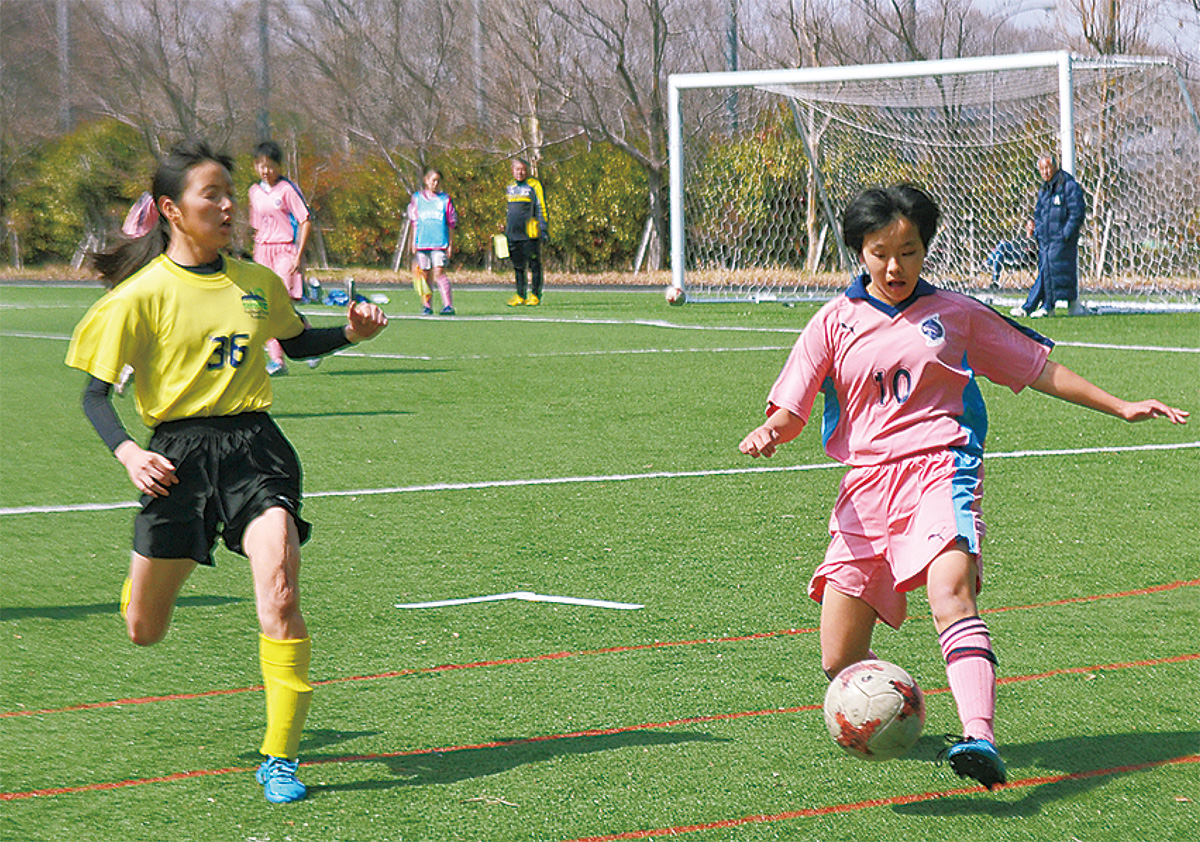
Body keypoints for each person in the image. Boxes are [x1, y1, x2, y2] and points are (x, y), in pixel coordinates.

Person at [739, 184, 1187, 791]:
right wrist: (770, 430)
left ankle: (980, 734)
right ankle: (901, 705)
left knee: (951, 591)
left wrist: (1121, 406)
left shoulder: (956, 313)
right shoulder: (832, 323)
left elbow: (1039, 367)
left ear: (925, 249)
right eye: (880, 251)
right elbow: (790, 410)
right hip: (865, 492)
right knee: (839, 660)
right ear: (859, 251)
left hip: (940, 471)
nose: (895, 266)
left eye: (909, 250)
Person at [66, 139, 389, 804]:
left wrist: (350, 335)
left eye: (226, 194)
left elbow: (296, 342)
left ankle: (281, 758)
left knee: (280, 589)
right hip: (177, 458)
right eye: (209, 194)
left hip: (255, 449)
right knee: (144, 630)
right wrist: (129, 452)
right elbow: (96, 395)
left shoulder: (256, 282)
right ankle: (143, 590)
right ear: (170, 210)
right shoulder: (139, 296)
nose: (224, 206)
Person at [249, 140, 315, 373]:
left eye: (270, 165)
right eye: (260, 165)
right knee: (264, 306)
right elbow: (257, 225)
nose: (265, 170)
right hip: (262, 251)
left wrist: (298, 253)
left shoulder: (287, 189)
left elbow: (304, 220)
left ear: (279, 166)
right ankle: (277, 360)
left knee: (281, 305)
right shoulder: (254, 192)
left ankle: (310, 343)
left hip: (284, 250)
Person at [1012, 153, 1086, 318]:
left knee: (1049, 271)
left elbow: (1077, 212)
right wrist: (1035, 229)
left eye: (1047, 167)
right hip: (1045, 240)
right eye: (1042, 169)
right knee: (1050, 273)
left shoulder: (1068, 185)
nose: (1045, 172)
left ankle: (1032, 307)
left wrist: (1065, 234)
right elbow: (1039, 213)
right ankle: (1050, 306)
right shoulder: (1044, 190)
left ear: (1055, 167)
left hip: (1061, 240)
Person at [407, 168, 457, 316]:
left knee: (439, 273)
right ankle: (426, 305)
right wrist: (413, 242)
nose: (435, 183)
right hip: (422, 242)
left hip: (439, 243)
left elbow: (451, 223)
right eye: (432, 180)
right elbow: (414, 222)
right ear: (426, 180)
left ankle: (448, 305)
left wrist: (450, 243)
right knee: (424, 275)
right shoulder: (417, 199)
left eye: (438, 180)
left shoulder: (445, 200)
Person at [504, 157, 549, 307]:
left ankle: (535, 295)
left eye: (523, 169)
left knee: (534, 264)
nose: (520, 172)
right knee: (518, 266)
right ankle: (520, 294)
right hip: (513, 233)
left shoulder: (533, 185)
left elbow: (541, 207)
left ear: (527, 170)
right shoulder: (510, 187)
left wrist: (543, 228)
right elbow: (509, 211)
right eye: (517, 169)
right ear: (512, 171)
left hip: (530, 233)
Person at [986, 219, 1036, 287]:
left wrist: (1029, 249)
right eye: (1030, 225)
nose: (1031, 227)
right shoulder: (1021, 237)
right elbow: (1013, 246)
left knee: (1002, 244)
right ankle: (995, 281)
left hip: (1022, 258)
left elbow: (1032, 251)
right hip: (1013, 255)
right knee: (999, 255)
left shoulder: (1034, 238)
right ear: (1026, 226)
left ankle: (989, 262)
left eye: (1033, 225)